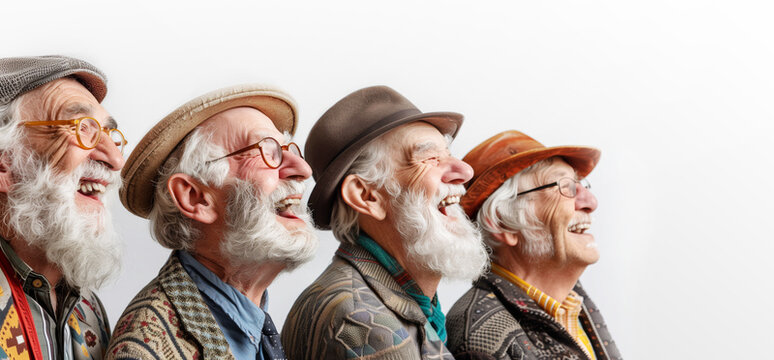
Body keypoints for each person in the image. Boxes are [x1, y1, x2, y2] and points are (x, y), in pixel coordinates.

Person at [106, 85, 317, 360]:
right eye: (268, 151)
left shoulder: (251, 322)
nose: (303, 170)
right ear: (195, 198)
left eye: (290, 150)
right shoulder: (144, 350)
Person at [282, 86, 488, 359]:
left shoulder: (402, 303)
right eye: (429, 158)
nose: (465, 171)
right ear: (366, 196)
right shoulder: (361, 322)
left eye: (449, 154)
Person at [445, 130, 622, 360]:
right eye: (565, 187)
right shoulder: (483, 339)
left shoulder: (572, 301)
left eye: (581, 185)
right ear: (502, 224)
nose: (591, 202)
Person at [0, 55, 126, 360]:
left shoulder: (88, 307)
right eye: (82, 128)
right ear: (5, 161)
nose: (114, 159)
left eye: (110, 134)